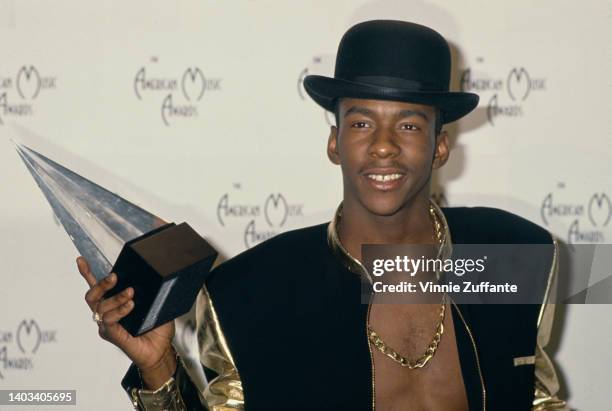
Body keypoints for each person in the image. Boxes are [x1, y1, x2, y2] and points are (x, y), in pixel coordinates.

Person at [77, 20, 568, 410]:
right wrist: (159, 367)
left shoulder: (514, 253)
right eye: (360, 122)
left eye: (409, 124)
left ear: (440, 147)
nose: (383, 146)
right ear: (334, 143)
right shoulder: (248, 291)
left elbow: (537, 399)